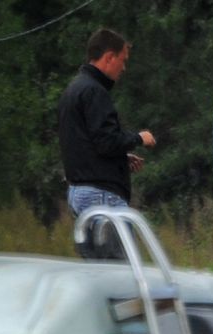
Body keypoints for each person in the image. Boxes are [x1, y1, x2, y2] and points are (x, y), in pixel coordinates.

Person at [57, 29, 156, 228]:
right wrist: (139, 138)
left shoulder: (73, 89)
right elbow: (107, 142)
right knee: (118, 258)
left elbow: (84, 144)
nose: (124, 67)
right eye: (123, 59)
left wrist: (121, 157)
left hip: (80, 192)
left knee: (100, 260)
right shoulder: (95, 91)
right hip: (100, 197)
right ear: (110, 57)